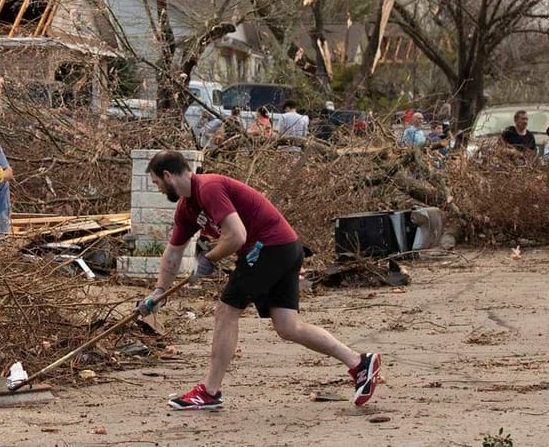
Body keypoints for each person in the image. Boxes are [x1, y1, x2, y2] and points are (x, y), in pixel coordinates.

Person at [137, 150, 381, 410]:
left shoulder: (208, 187)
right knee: (288, 326)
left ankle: (209, 392)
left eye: (156, 183)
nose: (158, 188)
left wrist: (209, 258)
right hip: (283, 247)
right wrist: (158, 291)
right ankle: (359, 363)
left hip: (269, 247)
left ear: (167, 175)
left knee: (226, 310)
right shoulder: (187, 208)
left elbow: (237, 236)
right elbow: (174, 251)